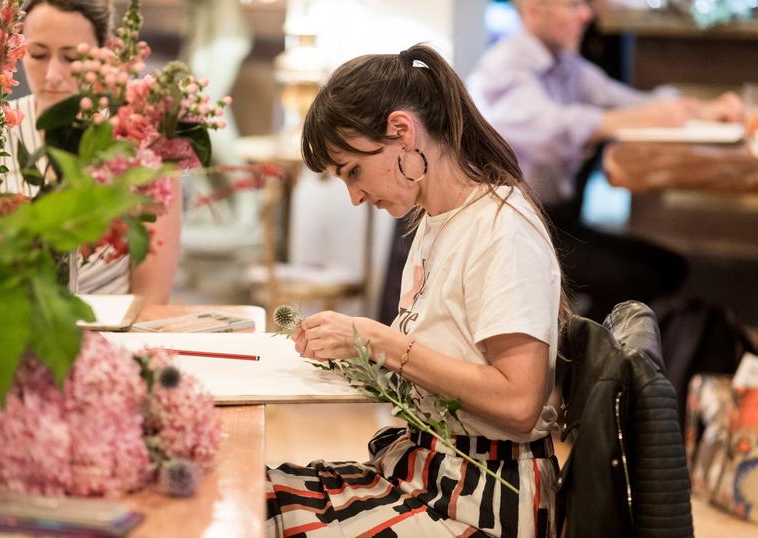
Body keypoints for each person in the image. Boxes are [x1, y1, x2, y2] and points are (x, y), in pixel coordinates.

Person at [266, 43, 567, 538]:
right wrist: (350, 351)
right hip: (432, 476)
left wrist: (379, 342)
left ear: (403, 132)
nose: (356, 196)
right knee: (253, 495)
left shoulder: (501, 229)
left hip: (485, 504)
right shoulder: (435, 224)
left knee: (261, 517)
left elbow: (520, 402)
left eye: (353, 171)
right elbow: (436, 364)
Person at [467, 0, 743, 321]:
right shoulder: (504, 66)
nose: (586, 15)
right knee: (647, 275)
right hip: (511, 231)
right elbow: (552, 131)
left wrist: (703, 110)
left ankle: (594, 351)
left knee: (669, 267)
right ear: (533, 10)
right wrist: (629, 119)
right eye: (572, 6)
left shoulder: (567, 66)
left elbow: (635, 102)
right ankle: (582, 356)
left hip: (553, 221)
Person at [0, 0, 181, 303]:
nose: (53, 75)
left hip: (112, 334)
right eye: (39, 54)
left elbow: (151, 297)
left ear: (107, 53)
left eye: (72, 58)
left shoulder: (141, 144)